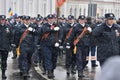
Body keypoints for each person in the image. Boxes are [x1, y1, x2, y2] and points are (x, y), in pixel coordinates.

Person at [40, 14, 60, 79]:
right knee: (48, 58)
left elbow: (61, 34)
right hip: (46, 45)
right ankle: (49, 71)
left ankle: (52, 70)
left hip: (55, 45)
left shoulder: (57, 25)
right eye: (50, 18)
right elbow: (44, 30)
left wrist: (59, 41)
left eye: (52, 18)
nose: (51, 20)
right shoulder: (44, 26)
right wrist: (53, 29)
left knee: (54, 59)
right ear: (47, 19)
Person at [0, 15, 12, 79]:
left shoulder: (8, 27)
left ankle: (3, 73)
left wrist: (10, 45)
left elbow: (11, 36)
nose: (2, 21)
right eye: (1, 20)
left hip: (5, 47)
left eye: (3, 20)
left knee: (4, 61)